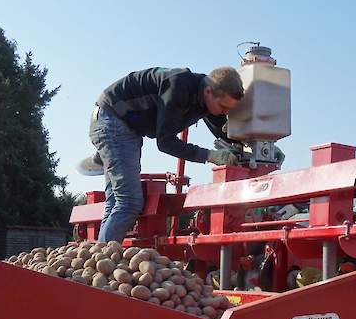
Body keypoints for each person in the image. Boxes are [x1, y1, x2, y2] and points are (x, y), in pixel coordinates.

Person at [78, 67, 245, 243]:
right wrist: (209, 155)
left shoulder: (207, 99)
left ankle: (98, 255)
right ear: (208, 91)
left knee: (116, 203)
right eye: (223, 107)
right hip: (112, 120)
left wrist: (247, 145)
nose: (225, 113)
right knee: (129, 202)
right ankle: (102, 258)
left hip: (124, 126)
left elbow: (223, 132)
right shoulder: (179, 86)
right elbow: (165, 142)